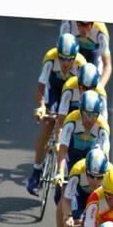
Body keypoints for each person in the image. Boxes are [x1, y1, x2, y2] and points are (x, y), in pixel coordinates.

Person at [51, 91, 110, 227]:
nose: (89, 119)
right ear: (80, 110)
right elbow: (62, 151)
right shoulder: (71, 121)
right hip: (73, 161)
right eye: (86, 114)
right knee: (64, 195)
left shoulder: (102, 127)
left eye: (93, 115)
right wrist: (60, 172)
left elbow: (105, 158)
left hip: (92, 165)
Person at [26, 33, 86, 196]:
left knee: (71, 129)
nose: (66, 63)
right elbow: (41, 87)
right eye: (63, 58)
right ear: (58, 54)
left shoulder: (81, 65)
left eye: (69, 59)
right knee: (47, 124)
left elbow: (85, 96)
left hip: (72, 94)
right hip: (54, 90)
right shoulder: (50, 59)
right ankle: (36, 173)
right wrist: (41, 107)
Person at [54, 62, 108, 145]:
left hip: (89, 116)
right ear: (78, 82)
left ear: (96, 86)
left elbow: (103, 124)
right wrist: (59, 141)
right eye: (83, 87)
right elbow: (61, 120)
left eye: (91, 88)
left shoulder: (101, 94)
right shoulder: (69, 87)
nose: (87, 91)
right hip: (70, 110)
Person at [59, 21, 112, 88]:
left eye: (87, 26)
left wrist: (99, 88)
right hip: (75, 52)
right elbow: (60, 54)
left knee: (91, 81)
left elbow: (107, 66)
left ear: (92, 23)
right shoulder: (68, 26)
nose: (83, 29)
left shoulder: (101, 33)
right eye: (79, 24)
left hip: (93, 54)